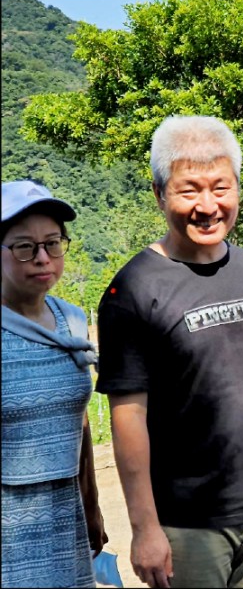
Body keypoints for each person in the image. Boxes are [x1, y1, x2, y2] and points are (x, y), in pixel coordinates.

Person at [95, 115, 243, 588]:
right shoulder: (134, 289)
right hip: (188, 525)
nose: (208, 206)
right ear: (159, 193)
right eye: (189, 191)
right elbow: (127, 418)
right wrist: (145, 528)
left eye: (221, 188)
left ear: (238, 188)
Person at [2, 180, 108, 587]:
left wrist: (93, 506)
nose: (42, 258)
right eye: (25, 247)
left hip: (64, 512)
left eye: (52, 243)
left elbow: (80, 422)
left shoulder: (72, 321)